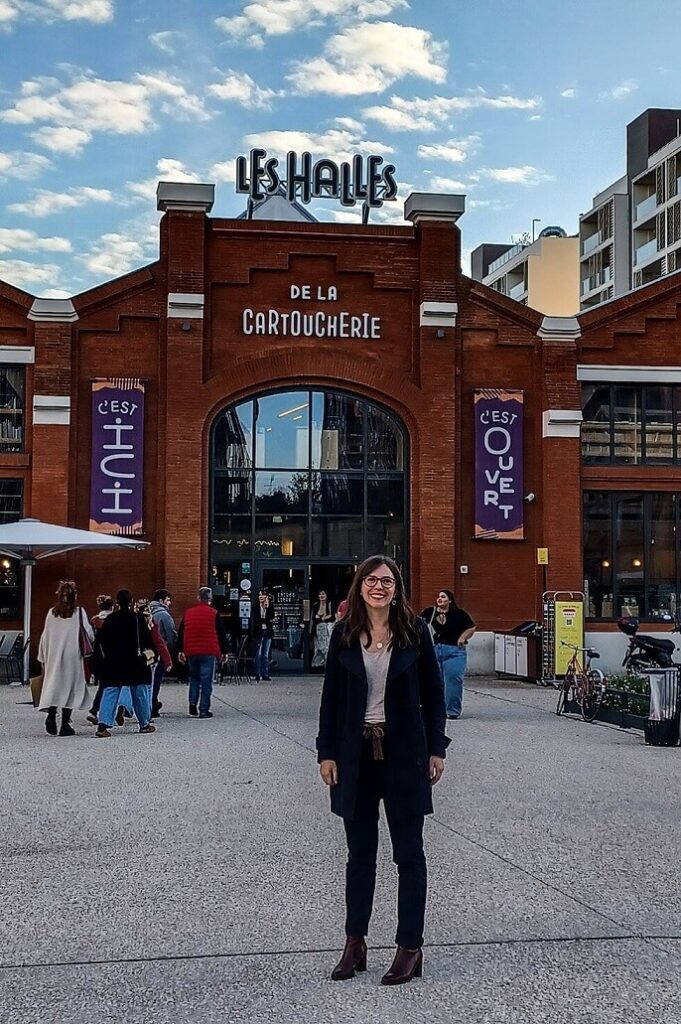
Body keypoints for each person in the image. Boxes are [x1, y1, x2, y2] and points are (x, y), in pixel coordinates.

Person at [316, 555, 449, 987]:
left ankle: (410, 946)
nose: (378, 586)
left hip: (404, 752)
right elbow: (331, 700)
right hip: (355, 755)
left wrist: (437, 749)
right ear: (359, 586)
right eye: (371, 580)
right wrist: (326, 753)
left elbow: (434, 693)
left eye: (387, 580)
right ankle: (355, 943)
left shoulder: (415, 633)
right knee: (360, 855)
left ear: (397, 588)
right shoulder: (344, 633)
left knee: (409, 853)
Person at [94, 589, 158, 738]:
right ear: (130, 602)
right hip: (135, 662)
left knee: (110, 692)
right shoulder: (137, 619)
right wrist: (151, 657)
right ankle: (144, 724)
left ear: (117, 602)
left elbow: (101, 642)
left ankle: (103, 725)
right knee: (140, 693)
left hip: (113, 662)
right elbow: (147, 641)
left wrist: (102, 661)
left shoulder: (110, 620)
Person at [38, 580, 94, 737]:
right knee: (70, 688)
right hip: (73, 655)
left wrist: (43, 656)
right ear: (74, 596)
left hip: (54, 655)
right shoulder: (79, 613)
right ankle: (65, 724)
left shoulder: (52, 613)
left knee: (55, 684)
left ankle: (51, 715)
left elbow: (45, 636)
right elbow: (89, 633)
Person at [420, 590, 476, 720]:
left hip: (454, 651)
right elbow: (418, 626)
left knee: (453, 679)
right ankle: (434, 709)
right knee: (433, 681)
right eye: (438, 596)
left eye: (443, 597)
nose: (439, 599)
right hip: (433, 651)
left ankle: (452, 710)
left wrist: (462, 637)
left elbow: (471, 627)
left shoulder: (459, 614)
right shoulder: (429, 612)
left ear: (450, 600)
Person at [178, 586, 229, 717]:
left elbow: (181, 633)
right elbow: (221, 634)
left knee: (194, 678)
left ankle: (192, 703)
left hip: (191, 651)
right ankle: (204, 710)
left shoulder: (188, 613)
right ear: (210, 599)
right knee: (206, 682)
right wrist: (224, 652)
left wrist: (180, 650)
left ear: (198, 598)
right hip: (209, 652)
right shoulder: (214, 613)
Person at [86, 594, 114, 725]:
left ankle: (96, 711)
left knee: (104, 685)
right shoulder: (114, 620)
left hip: (97, 656)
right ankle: (97, 711)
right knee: (109, 686)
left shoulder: (94, 621)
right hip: (111, 657)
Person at [149, 588, 177, 717]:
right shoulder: (164, 615)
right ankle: (153, 704)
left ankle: (150, 703)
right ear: (161, 600)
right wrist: (171, 648)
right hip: (160, 650)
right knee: (157, 679)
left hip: (147, 652)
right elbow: (171, 634)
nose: (169, 602)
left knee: (149, 680)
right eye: (168, 600)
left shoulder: (148, 611)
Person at [252, 589, 275, 681]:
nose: (261, 598)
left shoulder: (270, 606)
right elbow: (257, 619)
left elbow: (271, 618)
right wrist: (264, 619)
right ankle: (257, 673)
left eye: (263, 596)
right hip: (258, 632)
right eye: (260, 596)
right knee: (259, 653)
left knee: (265, 654)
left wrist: (267, 608)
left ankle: (265, 673)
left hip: (267, 632)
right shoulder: (255, 606)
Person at [311, 589, 334, 668]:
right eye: (320, 594)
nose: (322, 596)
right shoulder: (315, 605)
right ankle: (320, 665)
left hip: (327, 628)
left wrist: (324, 618)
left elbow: (332, 616)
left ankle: (328, 666)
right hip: (318, 629)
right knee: (318, 648)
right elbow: (315, 617)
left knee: (326, 647)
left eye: (323, 594)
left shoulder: (329, 604)